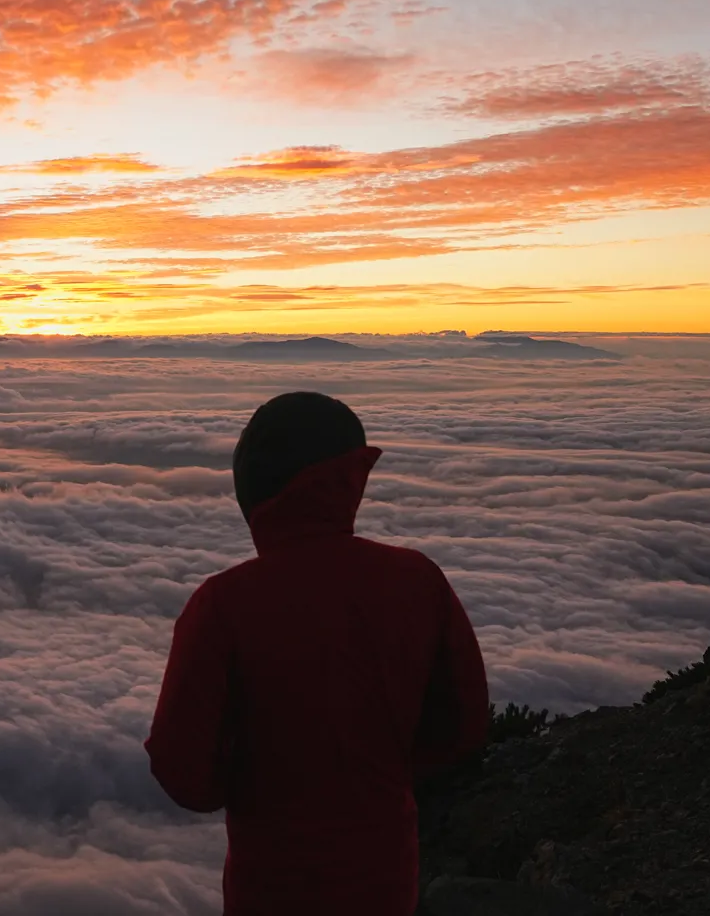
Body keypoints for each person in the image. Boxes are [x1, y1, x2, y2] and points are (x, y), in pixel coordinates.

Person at [146, 392, 489, 915]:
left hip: (269, 889)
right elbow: (461, 727)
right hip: (387, 879)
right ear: (353, 478)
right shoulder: (418, 579)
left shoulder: (223, 604)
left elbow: (185, 775)